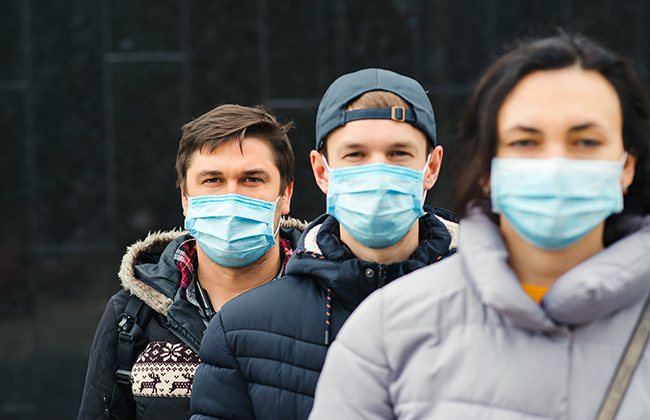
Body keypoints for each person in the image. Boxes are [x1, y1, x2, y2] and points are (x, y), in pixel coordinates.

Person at [308, 34, 650, 420]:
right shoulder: (386, 330)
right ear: (487, 168)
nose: (554, 163)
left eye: (586, 141)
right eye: (525, 142)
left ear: (626, 165)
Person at [189, 68, 459, 420]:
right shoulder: (241, 329)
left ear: (431, 166)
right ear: (321, 171)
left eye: (398, 154)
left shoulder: (494, 310)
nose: (377, 173)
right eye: (355, 155)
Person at [77, 104, 307, 420]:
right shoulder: (132, 317)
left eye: (252, 179)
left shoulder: (330, 306)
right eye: (212, 180)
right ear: (186, 198)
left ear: (286, 195)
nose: (231, 197)